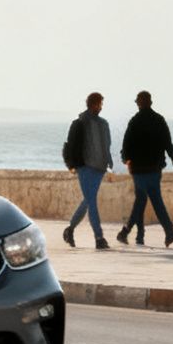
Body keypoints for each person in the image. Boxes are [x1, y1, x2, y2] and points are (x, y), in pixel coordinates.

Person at [118, 90, 173, 247]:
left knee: (141, 200)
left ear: (139, 103)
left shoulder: (134, 121)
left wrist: (125, 159)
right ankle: (167, 233)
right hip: (154, 168)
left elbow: (126, 144)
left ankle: (128, 232)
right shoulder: (159, 120)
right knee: (154, 200)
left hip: (138, 169)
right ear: (151, 102)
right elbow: (168, 142)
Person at [61, 92, 114, 250]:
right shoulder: (79, 123)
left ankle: (69, 230)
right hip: (84, 167)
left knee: (87, 201)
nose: (100, 107)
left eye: (101, 104)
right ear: (92, 104)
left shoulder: (104, 124)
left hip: (99, 168)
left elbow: (107, 145)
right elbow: (69, 145)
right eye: (99, 104)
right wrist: (71, 164)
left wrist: (109, 162)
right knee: (91, 202)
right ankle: (99, 238)